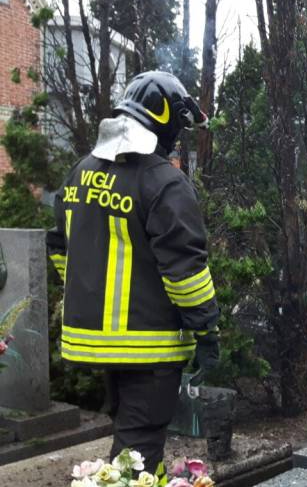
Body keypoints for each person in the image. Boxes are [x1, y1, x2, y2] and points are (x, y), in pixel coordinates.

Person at [46, 71, 219, 482]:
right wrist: (206, 329)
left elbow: (59, 247)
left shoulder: (80, 172)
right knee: (136, 457)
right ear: (166, 121)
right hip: (149, 348)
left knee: (129, 447)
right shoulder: (164, 182)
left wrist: (87, 296)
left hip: (98, 344)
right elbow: (185, 272)